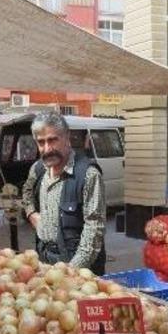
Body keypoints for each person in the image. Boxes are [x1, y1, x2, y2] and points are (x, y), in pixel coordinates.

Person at [22, 111, 106, 274]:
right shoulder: (38, 169)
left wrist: (71, 271)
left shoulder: (88, 175)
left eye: (53, 140)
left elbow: (94, 230)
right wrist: (31, 213)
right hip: (44, 259)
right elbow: (26, 192)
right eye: (41, 142)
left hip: (80, 268)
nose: (47, 149)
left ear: (67, 138)